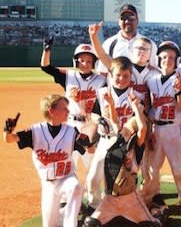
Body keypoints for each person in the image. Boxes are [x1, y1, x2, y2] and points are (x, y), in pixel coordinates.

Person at [3, 94, 93, 227]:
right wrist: (7, 131)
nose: (68, 112)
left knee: (75, 187)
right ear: (52, 110)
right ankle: (62, 215)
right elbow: (10, 139)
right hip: (48, 185)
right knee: (50, 225)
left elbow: (91, 151)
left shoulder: (71, 131)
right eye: (64, 109)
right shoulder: (35, 131)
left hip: (67, 178)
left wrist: (89, 144)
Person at [83, 89, 160, 227]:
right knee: (91, 223)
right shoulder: (118, 138)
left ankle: (156, 214)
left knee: (151, 225)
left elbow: (142, 128)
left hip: (131, 200)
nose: (124, 126)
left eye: (129, 126)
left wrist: (137, 108)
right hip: (109, 199)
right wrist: (111, 104)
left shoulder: (136, 146)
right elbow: (114, 119)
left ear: (133, 133)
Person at [85, 56, 143, 214]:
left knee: (124, 179)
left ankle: (126, 207)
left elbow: (139, 119)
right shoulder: (103, 92)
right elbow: (94, 114)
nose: (121, 79)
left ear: (131, 77)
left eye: (126, 76)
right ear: (111, 74)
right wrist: (101, 120)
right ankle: (95, 205)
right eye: (118, 75)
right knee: (93, 177)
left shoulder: (136, 95)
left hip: (125, 143)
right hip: (106, 140)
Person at [141, 41, 181, 218]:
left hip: (173, 129)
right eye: (163, 57)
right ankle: (149, 201)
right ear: (158, 59)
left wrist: (179, 92)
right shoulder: (151, 80)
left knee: (180, 170)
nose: (167, 60)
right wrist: (149, 131)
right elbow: (148, 107)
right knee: (151, 170)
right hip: (156, 129)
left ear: (176, 60)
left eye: (171, 57)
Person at [40, 39, 106, 170]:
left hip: (91, 125)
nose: (85, 64)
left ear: (94, 63)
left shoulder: (101, 80)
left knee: (92, 166)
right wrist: (46, 50)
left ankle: (93, 190)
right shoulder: (68, 76)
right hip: (70, 124)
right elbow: (46, 67)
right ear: (76, 61)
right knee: (69, 164)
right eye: (82, 60)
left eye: (89, 61)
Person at [96, 4, 157, 75]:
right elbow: (103, 72)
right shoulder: (109, 43)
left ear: (137, 20)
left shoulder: (150, 44)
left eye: (131, 18)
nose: (127, 21)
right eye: (123, 18)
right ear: (119, 21)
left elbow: (155, 70)